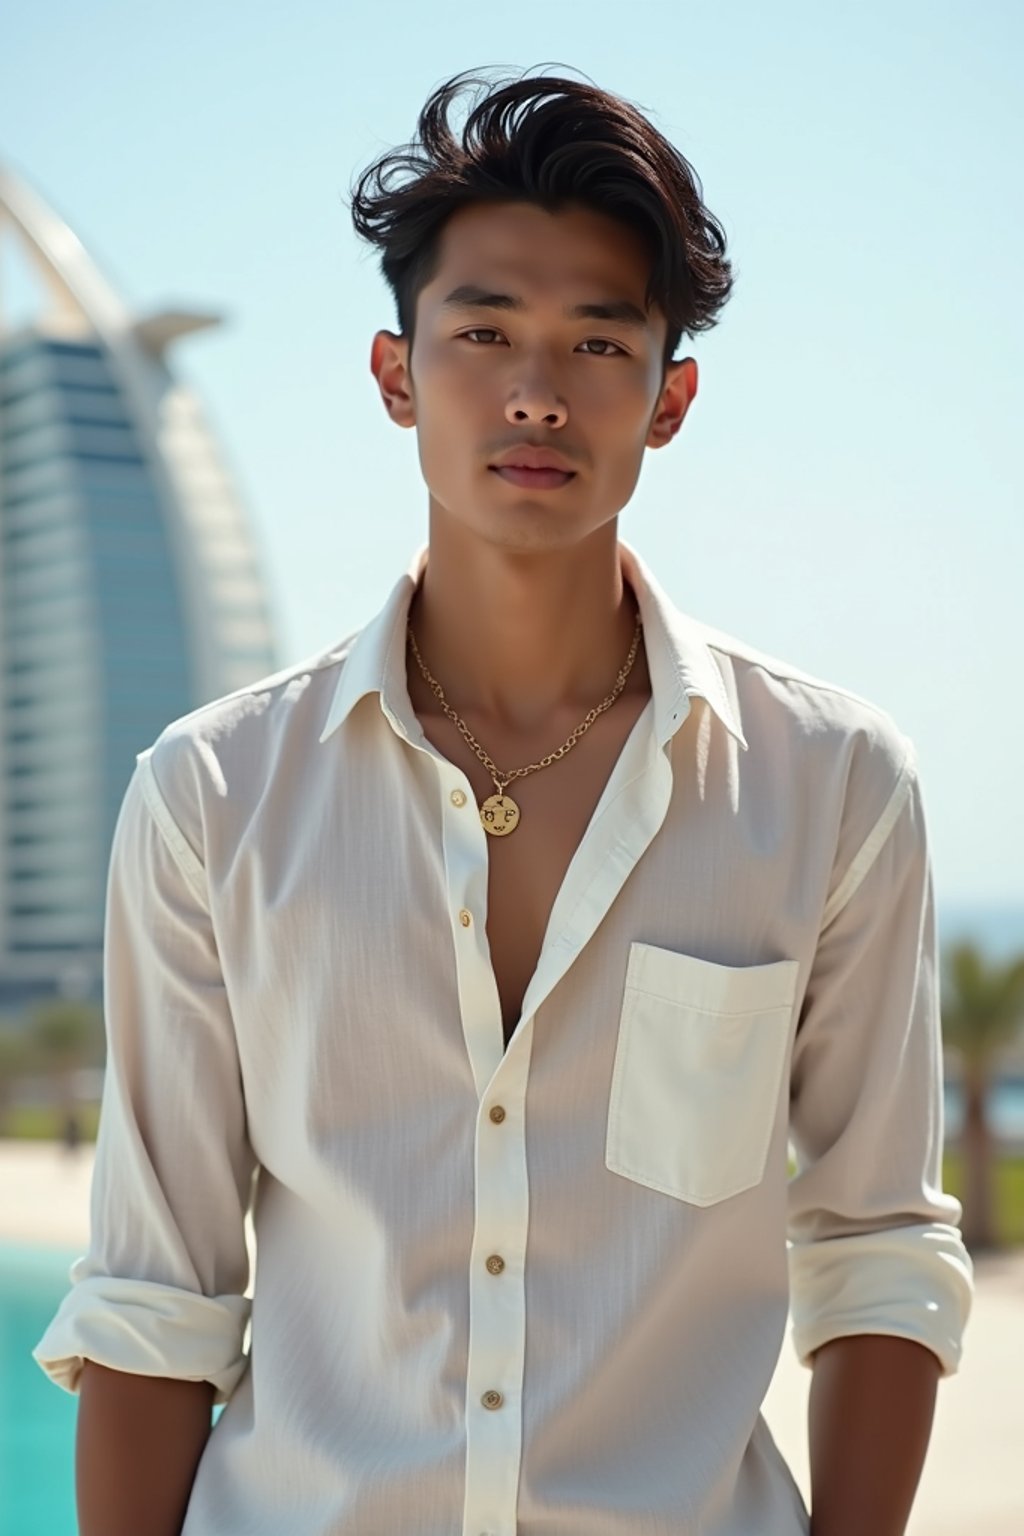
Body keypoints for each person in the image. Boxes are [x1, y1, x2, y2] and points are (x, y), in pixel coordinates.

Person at [33, 64, 973, 1536]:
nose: (537, 389)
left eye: (599, 341)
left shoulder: (833, 784)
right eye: (483, 332)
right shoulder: (212, 797)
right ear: (397, 375)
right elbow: (158, 1298)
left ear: (671, 400)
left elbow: (877, 1254)